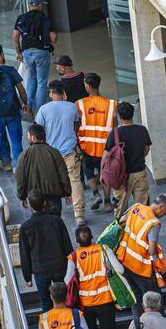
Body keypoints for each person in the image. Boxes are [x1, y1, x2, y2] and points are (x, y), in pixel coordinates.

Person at [65, 225, 124, 329]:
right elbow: (120, 270)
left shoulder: (74, 257)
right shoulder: (103, 249)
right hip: (105, 301)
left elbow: (66, 280)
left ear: (77, 241)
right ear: (92, 236)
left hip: (87, 304)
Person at [36, 81, 87, 225]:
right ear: (63, 92)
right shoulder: (72, 107)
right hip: (70, 150)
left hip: (51, 152)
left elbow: (38, 130)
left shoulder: (43, 109)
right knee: (75, 180)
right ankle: (79, 214)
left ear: (51, 93)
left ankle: (52, 209)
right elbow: (77, 124)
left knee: (51, 180)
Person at [116, 194, 166, 318]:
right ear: (161, 206)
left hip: (125, 261)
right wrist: (155, 262)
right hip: (142, 269)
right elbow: (152, 250)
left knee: (136, 299)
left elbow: (120, 222)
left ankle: (140, 328)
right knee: (154, 298)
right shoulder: (153, 223)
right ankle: (159, 324)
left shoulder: (136, 207)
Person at [19, 190, 73, 313]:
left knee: (45, 303)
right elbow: (67, 246)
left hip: (40, 269)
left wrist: (27, 276)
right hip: (60, 266)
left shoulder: (25, 227)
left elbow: (25, 254)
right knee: (64, 300)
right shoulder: (57, 221)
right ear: (44, 203)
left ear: (31, 207)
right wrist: (72, 266)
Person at [77, 73, 117, 213]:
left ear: (87, 86)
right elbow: (115, 128)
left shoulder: (80, 104)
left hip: (86, 148)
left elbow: (76, 126)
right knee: (105, 175)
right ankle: (107, 202)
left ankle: (95, 194)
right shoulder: (111, 105)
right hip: (105, 149)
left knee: (89, 173)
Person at [105, 102, 153, 220]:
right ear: (132, 115)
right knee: (143, 210)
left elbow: (106, 156)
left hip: (121, 177)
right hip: (139, 173)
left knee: (119, 212)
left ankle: (121, 235)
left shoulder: (115, 133)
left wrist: (103, 173)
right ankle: (141, 234)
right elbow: (146, 150)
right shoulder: (142, 130)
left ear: (119, 116)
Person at [16, 123, 71, 216]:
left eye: (28, 135)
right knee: (55, 225)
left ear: (33, 137)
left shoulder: (24, 155)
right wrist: (67, 193)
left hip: (35, 199)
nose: (27, 137)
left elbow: (20, 177)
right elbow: (64, 175)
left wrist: (22, 196)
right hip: (54, 199)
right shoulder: (54, 152)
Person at [13, 0, 57, 113]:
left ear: (30, 5)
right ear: (40, 5)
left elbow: (15, 37)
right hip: (42, 52)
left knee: (32, 78)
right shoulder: (45, 18)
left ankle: (28, 106)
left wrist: (19, 52)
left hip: (26, 52)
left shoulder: (21, 18)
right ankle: (39, 110)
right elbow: (53, 39)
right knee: (42, 82)